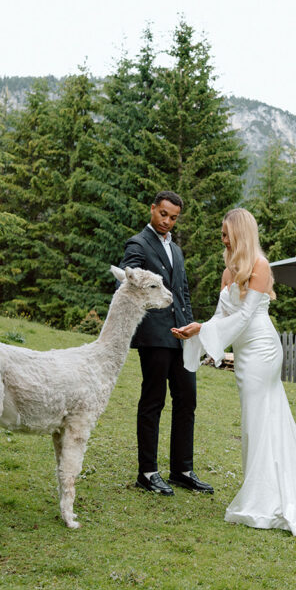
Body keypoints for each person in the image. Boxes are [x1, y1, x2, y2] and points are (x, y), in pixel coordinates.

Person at [173, 208, 296, 535]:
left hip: (262, 350)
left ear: (241, 234)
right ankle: (265, 491)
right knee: (257, 422)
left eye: (227, 233)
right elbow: (220, 317)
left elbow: (243, 318)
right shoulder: (228, 272)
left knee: (257, 422)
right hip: (243, 354)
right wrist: (198, 330)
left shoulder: (260, 266)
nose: (222, 238)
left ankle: (262, 500)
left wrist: (205, 330)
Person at [120, 191, 214, 496]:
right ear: (152, 209)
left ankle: (182, 470)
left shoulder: (176, 248)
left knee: (187, 400)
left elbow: (182, 290)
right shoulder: (138, 244)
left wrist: (191, 325)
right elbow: (127, 280)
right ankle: (147, 473)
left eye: (173, 217)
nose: (167, 221)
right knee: (153, 401)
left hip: (182, 335)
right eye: (163, 214)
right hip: (154, 336)